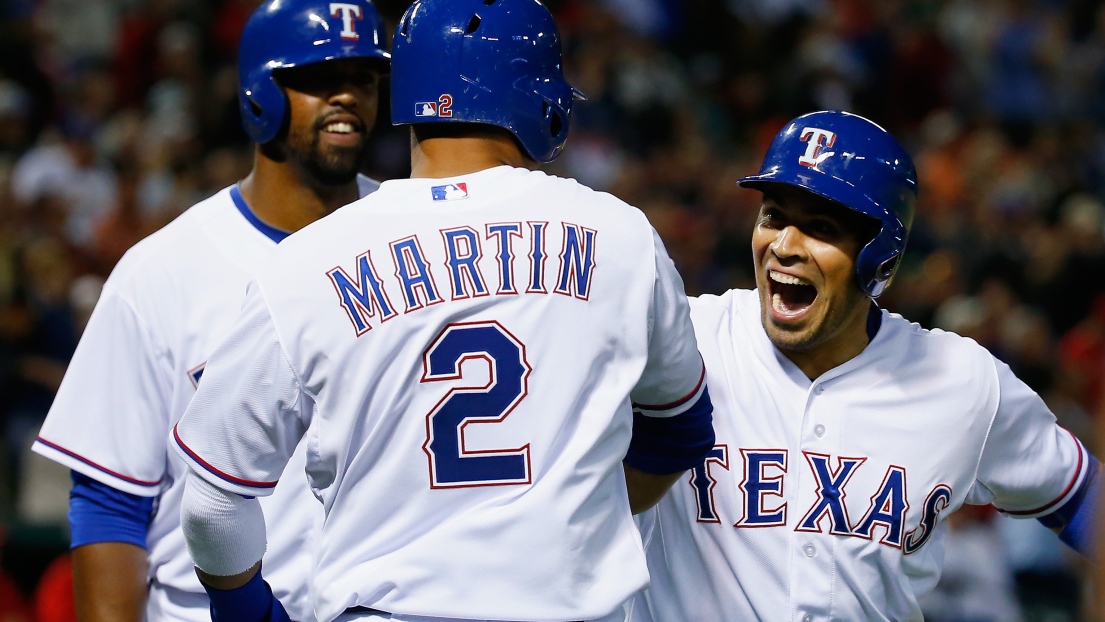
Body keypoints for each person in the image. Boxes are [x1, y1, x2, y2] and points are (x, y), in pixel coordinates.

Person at [170, 1, 715, 621]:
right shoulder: (620, 235)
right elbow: (681, 428)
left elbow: (214, 505)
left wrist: (248, 613)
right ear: (541, 99)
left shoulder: (304, 262)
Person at [631, 110, 1100, 622]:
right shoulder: (682, 338)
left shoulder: (960, 379)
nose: (785, 246)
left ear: (880, 258)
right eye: (773, 216)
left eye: (821, 227)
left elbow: (1081, 496)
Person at [30, 0, 390, 619]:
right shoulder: (163, 272)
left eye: (362, 78)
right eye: (319, 78)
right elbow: (109, 505)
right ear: (260, 95)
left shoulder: (413, 239)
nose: (348, 97)